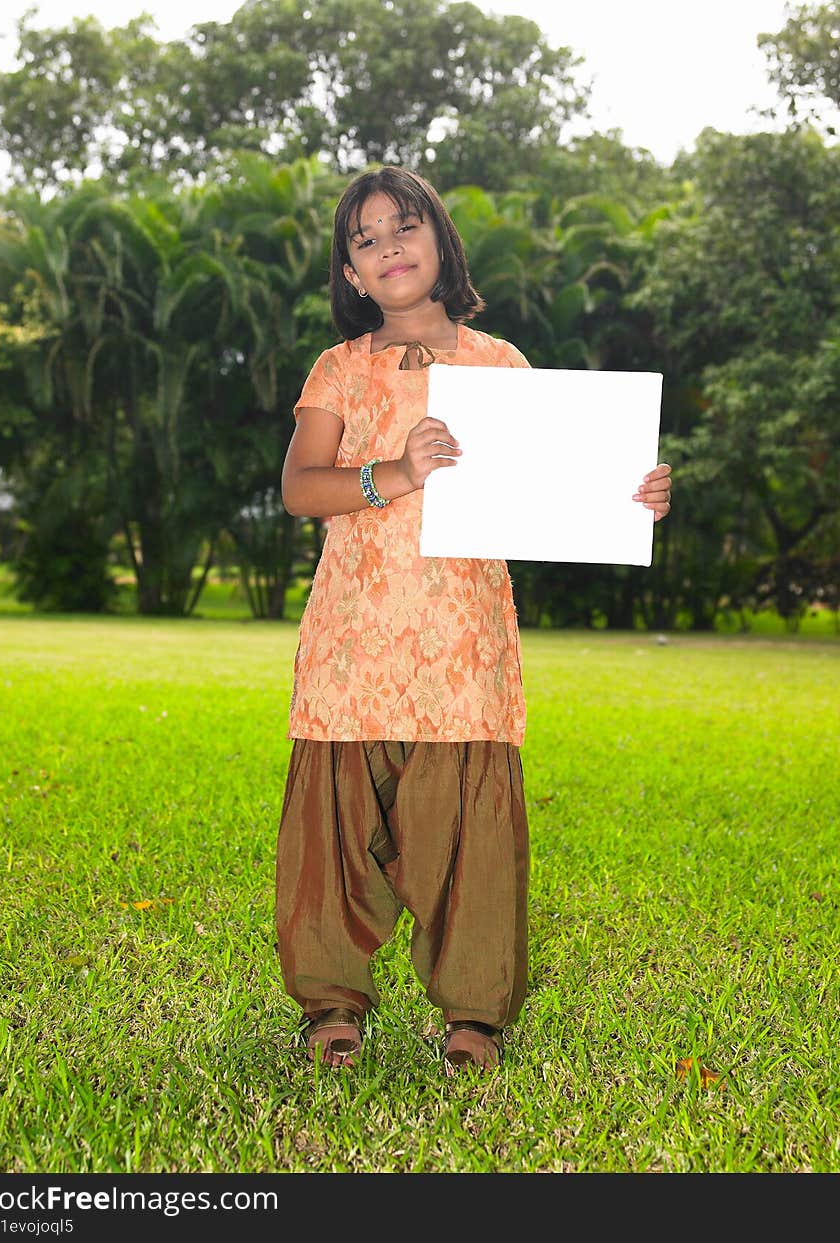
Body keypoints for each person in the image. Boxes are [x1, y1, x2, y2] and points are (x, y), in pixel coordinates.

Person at [276, 166, 672, 1074]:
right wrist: (399, 473)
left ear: (440, 244)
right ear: (350, 274)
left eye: (403, 227)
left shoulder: (500, 366)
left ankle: (473, 1015)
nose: (387, 248)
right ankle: (332, 1004)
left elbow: (552, 488)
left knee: (468, 827)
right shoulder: (339, 368)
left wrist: (629, 497)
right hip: (354, 633)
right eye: (365, 240)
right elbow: (301, 488)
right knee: (338, 824)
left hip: (464, 639)